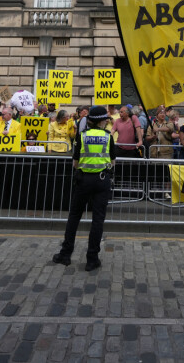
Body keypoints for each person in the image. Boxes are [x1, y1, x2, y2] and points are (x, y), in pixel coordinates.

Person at [52, 106, 115, 271]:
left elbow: (75, 163)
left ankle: (65, 254)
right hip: (102, 180)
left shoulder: (82, 136)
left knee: (74, 217)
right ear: (102, 120)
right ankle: (92, 258)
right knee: (98, 219)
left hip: (83, 180)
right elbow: (112, 162)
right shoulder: (108, 137)